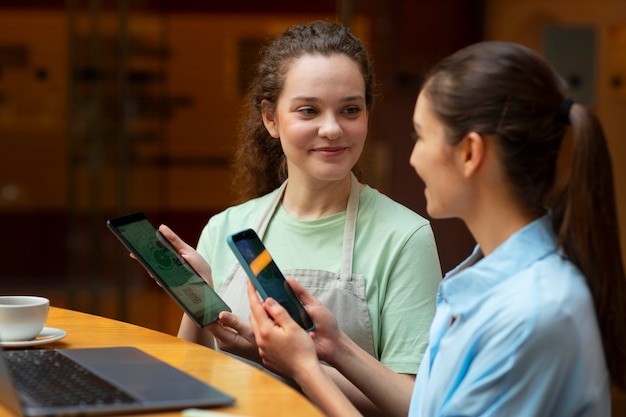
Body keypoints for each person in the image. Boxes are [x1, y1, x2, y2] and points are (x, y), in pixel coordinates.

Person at [246, 40, 626, 417]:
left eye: (421, 136)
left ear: (469, 153)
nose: (413, 158)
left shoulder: (534, 311)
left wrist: (305, 370)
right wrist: (335, 347)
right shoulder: (479, 281)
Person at [163, 20, 442, 416]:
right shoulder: (226, 227)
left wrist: (293, 364)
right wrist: (195, 295)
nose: (332, 129)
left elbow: (414, 404)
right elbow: (189, 381)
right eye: (308, 110)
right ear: (271, 119)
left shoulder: (404, 236)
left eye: (350, 109)